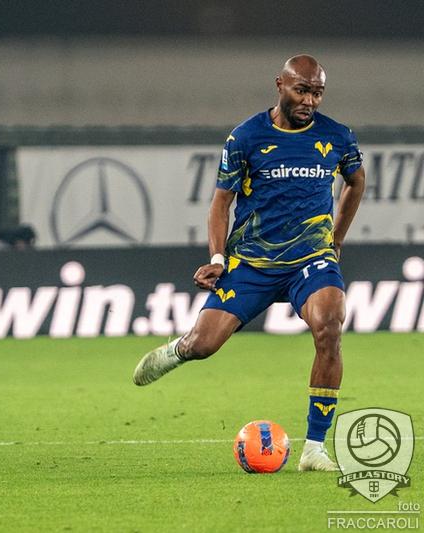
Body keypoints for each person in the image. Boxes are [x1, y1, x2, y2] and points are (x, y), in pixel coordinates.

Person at [132, 55, 365, 472]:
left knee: (330, 326)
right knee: (204, 346)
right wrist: (218, 258)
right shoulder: (246, 137)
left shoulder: (337, 136)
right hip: (252, 262)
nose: (309, 101)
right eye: (301, 90)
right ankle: (179, 349)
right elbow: (221, 202)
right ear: (280, 85)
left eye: (317, 93)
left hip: (310, 259)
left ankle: (314, 448)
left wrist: (337, 238)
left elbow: (356, 180)